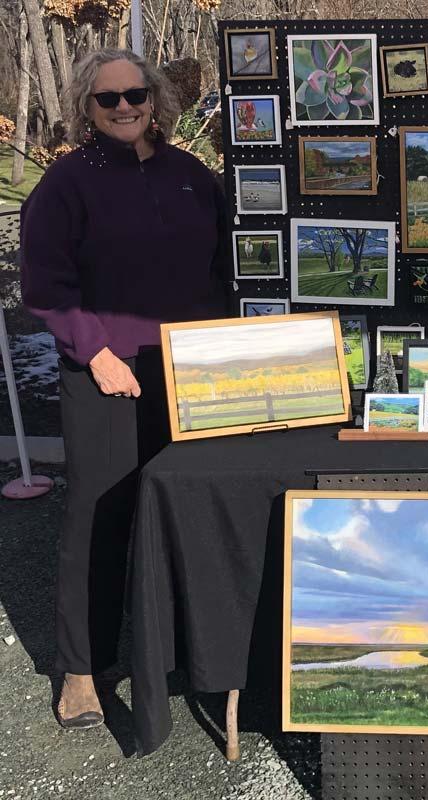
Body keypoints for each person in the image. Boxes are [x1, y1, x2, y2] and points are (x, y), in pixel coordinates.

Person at [20, 50, 229, 728]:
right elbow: (45, 287)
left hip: (194, 372)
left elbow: (232, 266)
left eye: (134, 94)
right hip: (108, 377)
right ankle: (81, 666)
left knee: (187, 508)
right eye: (106, 99)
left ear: (155, 98)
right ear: (87, 106)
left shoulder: (193, 176)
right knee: (99, 518)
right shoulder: (65, 184)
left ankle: (178, 647)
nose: (123, 107)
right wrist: (95, 352)